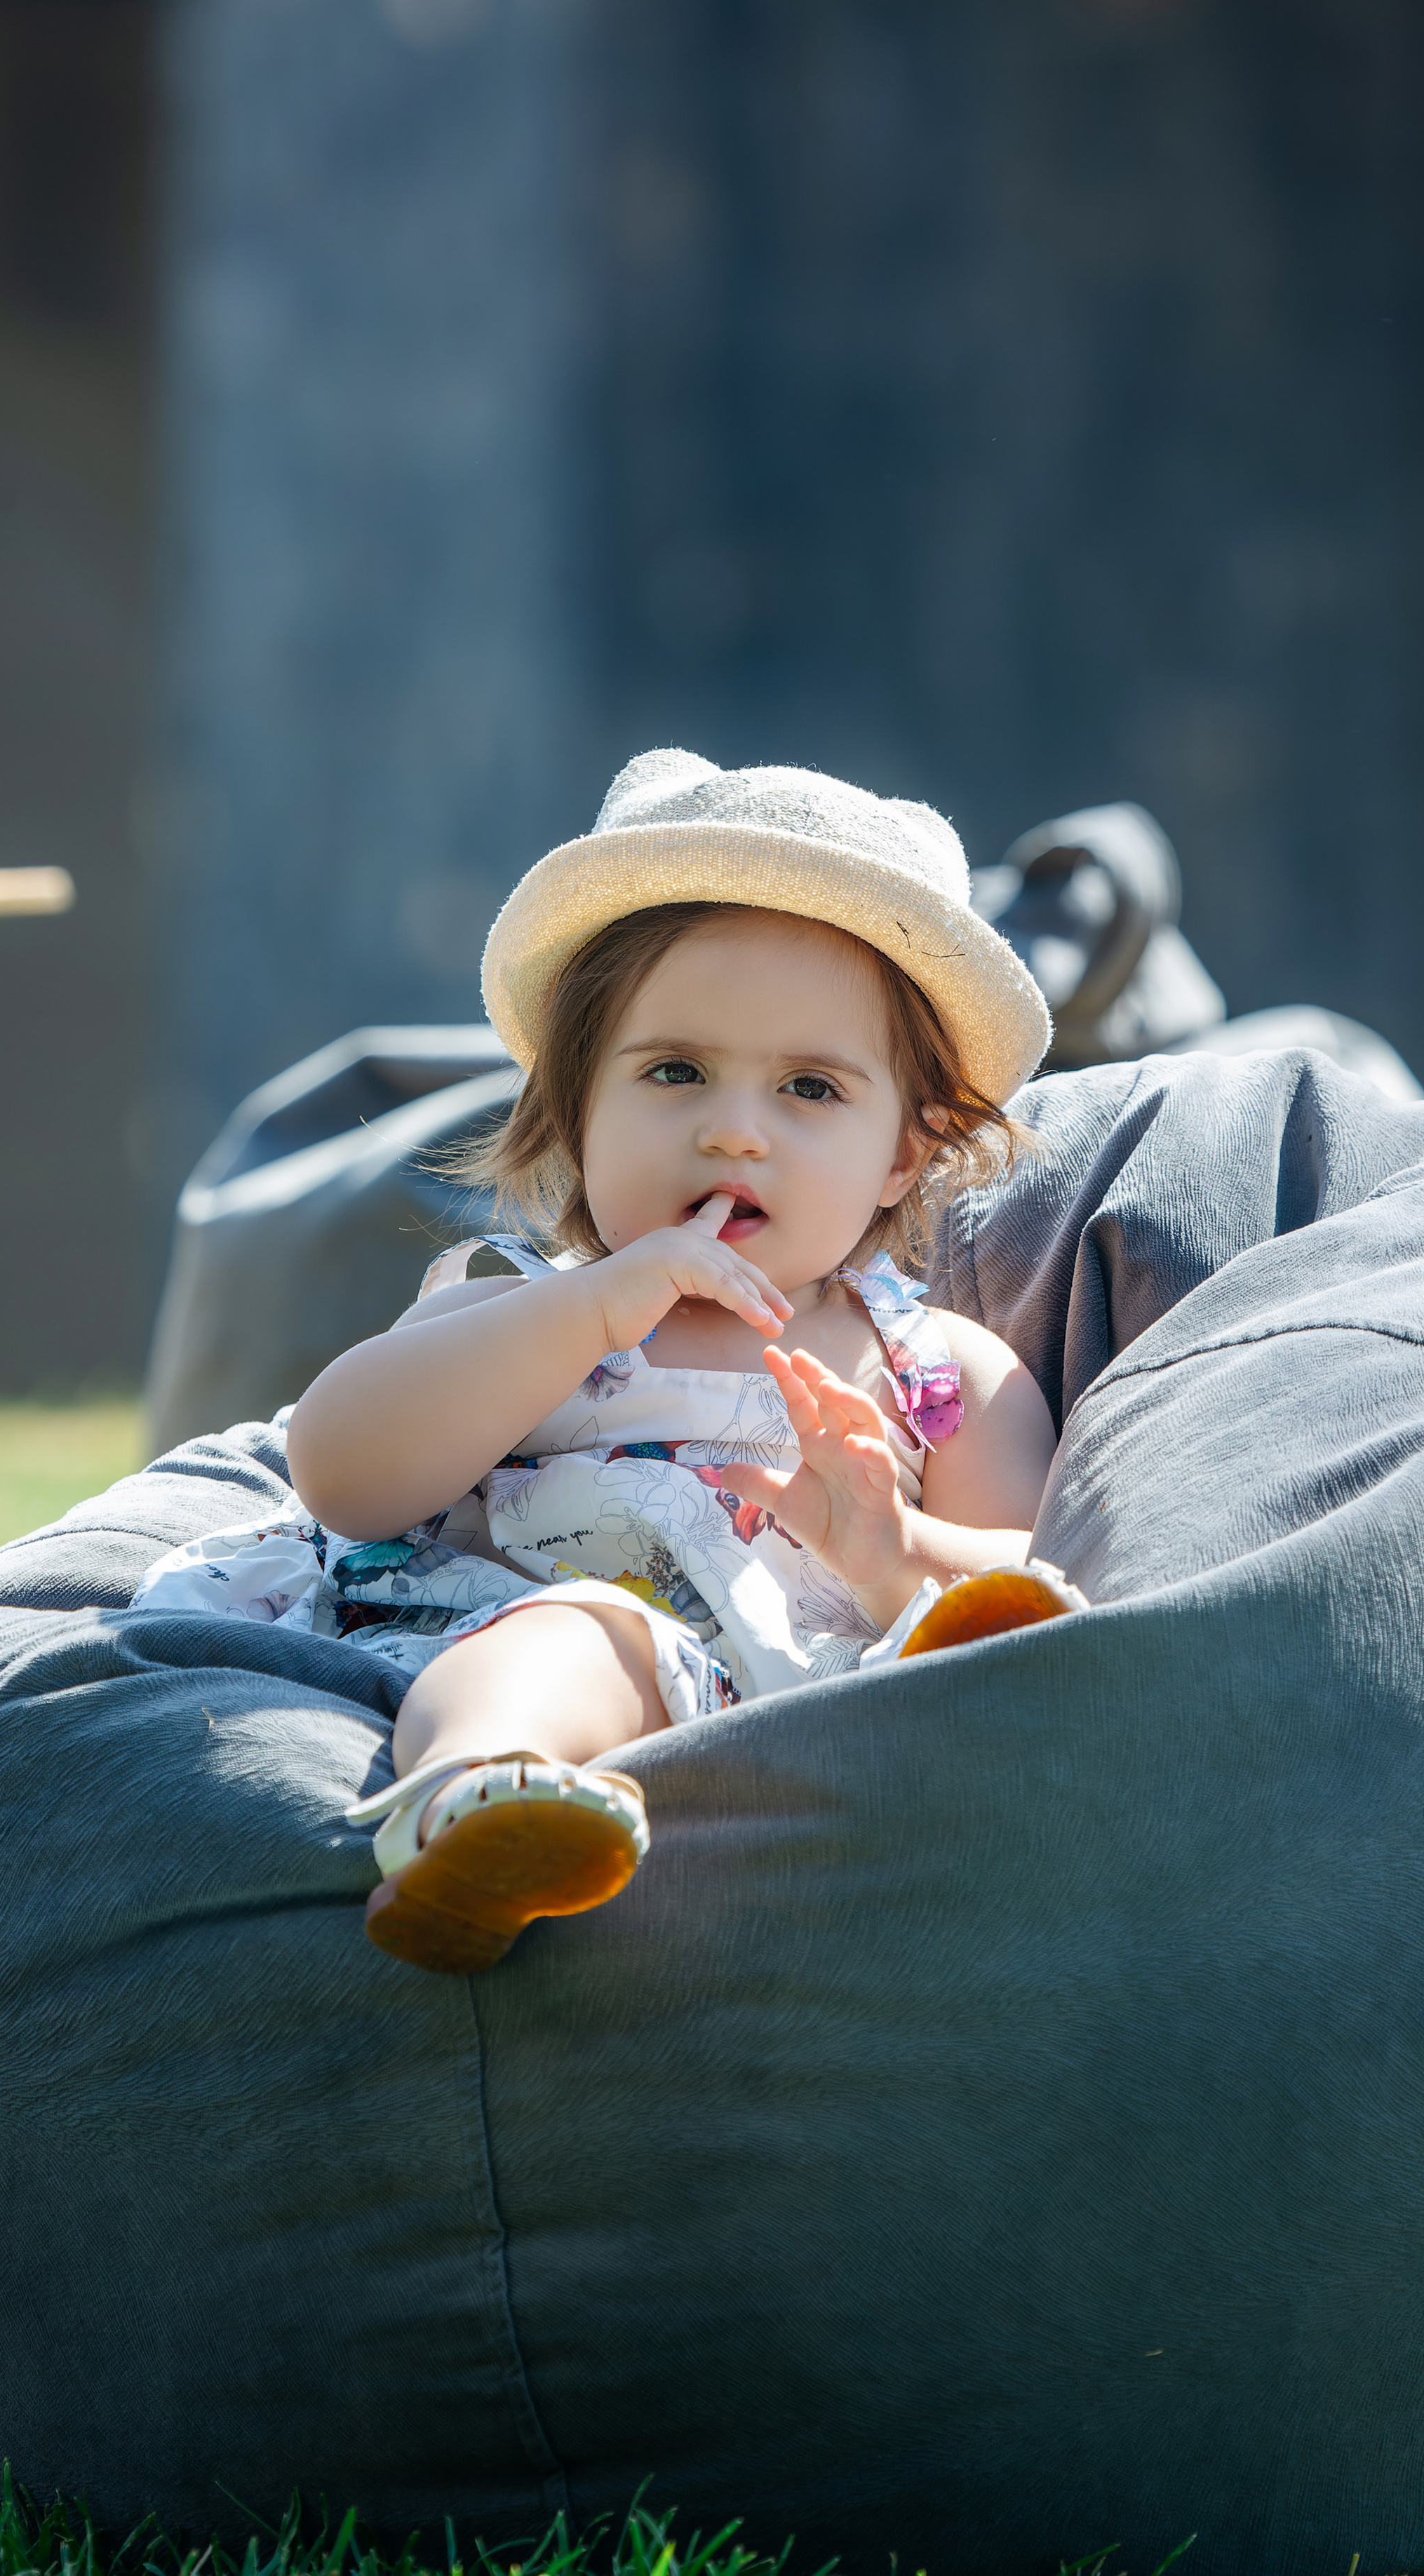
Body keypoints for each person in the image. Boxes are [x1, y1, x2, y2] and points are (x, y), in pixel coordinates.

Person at [134, 749, 1082, 1974]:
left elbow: (1037, 1577)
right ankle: (472, 1807)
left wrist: (897, 1548)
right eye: (675, 1072)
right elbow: (339, 1472)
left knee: (980, 1645)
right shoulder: (522, 1306)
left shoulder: (940, 1372)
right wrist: (588, 1313)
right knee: (583, 1639)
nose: (733, 1130)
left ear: (904, 1152)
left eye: (809, 1088)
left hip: (804, 1711)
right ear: (577, 1108)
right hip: (526, 1644)